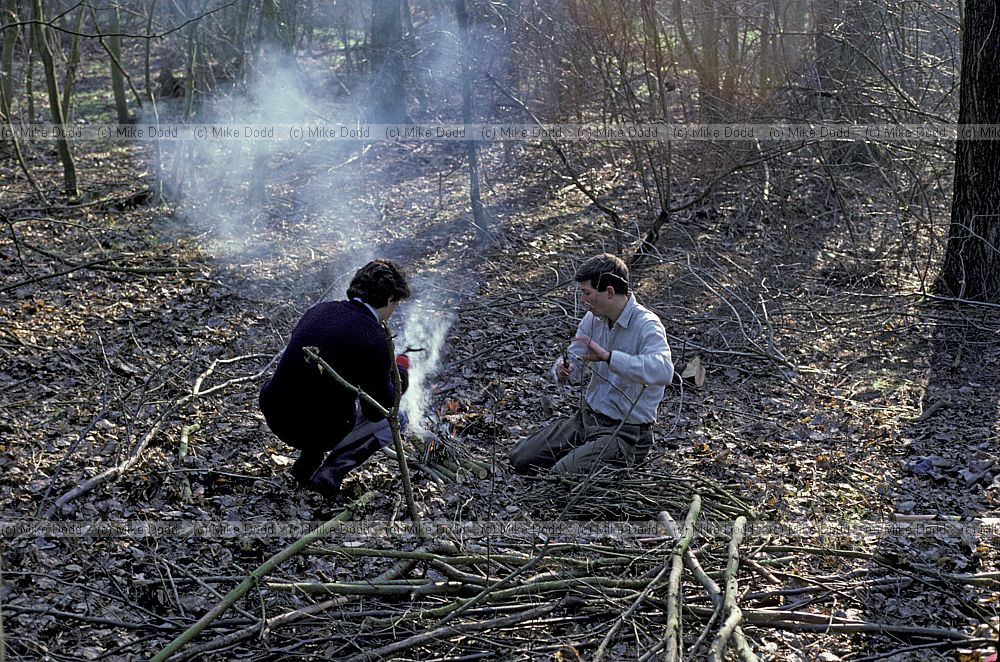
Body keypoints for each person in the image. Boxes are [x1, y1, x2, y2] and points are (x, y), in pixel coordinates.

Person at [509, 253, 674, 475]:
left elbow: (664, 370)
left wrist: (610, 357)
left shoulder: (646, 324)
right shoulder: (593, 319)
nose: (583, 300)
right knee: (519, 458)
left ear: (609, 292)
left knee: (560, 476)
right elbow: (574, 359)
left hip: (626, 432)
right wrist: (563, 369)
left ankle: (595, 459)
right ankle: (584, 452)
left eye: (587, 293)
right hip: (587, 419)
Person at [259, 259, 412, 497]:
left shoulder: (320, 309)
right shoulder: (373, 336)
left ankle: (305, 467)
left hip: (274, 410)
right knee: (400, 419)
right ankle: (330, 474)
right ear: (390, 299)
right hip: (307, 427)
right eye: (396, 303)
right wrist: (400, 376)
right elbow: (378, 410)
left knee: (322, 397)